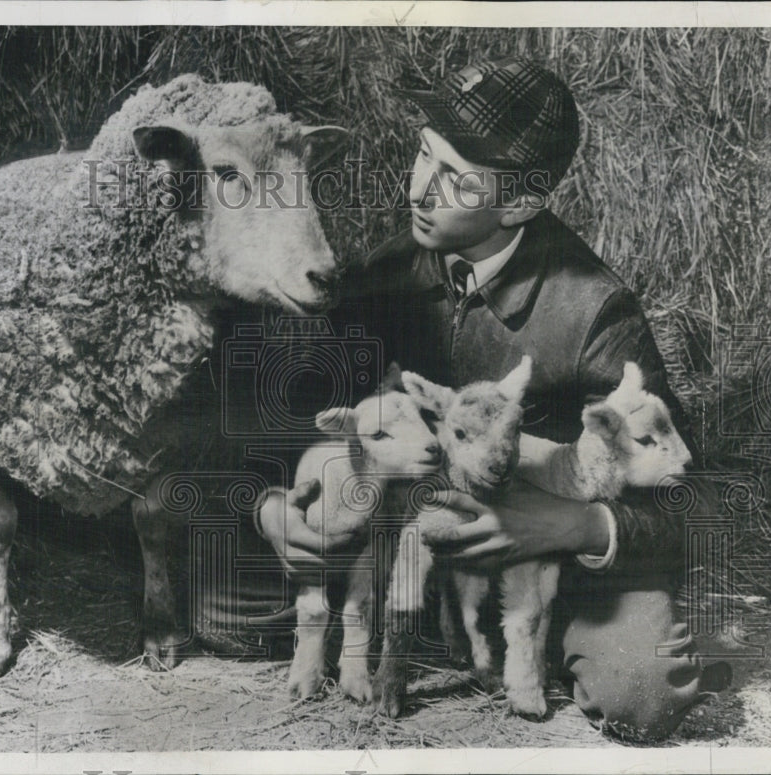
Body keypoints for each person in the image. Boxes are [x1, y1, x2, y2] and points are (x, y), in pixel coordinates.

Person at [250, 58, 731, 741]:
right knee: (225, 608)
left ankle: (526, 640)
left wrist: (569, 527)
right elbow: (309, 416)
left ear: (520, 204)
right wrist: (274, 509)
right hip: (411, 530)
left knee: (642, 691)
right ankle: (430, 622)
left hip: (542, 556)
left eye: (454, 178)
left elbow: (693, 501)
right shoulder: (382, 274)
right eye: (423, 154)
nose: (418, 188)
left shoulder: (595, 310)